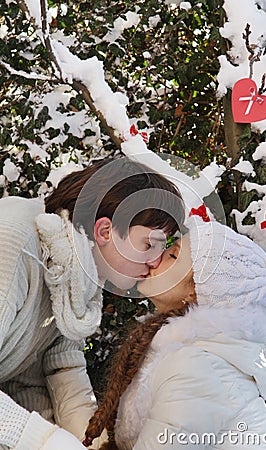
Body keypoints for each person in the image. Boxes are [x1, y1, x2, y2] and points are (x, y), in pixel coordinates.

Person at [0, 156, 185, 450]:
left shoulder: (78, 270)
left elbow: (56, 369)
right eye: (149, 244)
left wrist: (94, 444)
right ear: (104, 231)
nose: (155, 262)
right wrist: (45, 442)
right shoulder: (12, 246)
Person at [83, 209, 266, 449]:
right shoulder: (187, 352)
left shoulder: (197, 369)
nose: (155, 258)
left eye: (173, 255)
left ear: (195, 291)